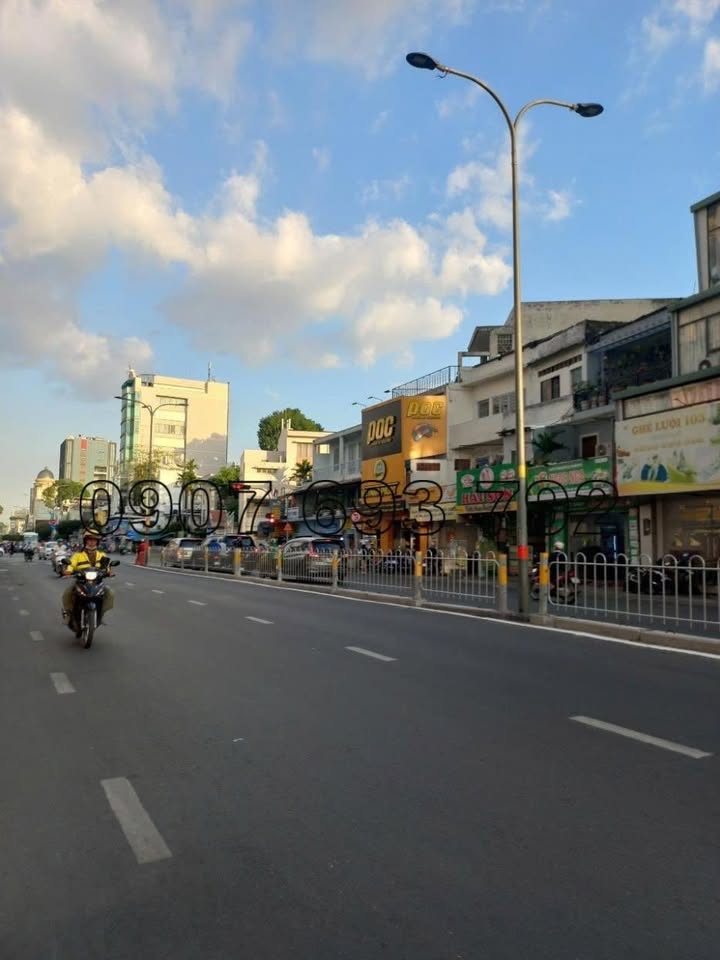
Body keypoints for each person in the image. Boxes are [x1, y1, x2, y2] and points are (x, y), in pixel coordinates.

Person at [62, 528, 115, 627]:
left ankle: (101, 614)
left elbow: (107, 567)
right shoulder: (78, 555)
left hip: (97, 582)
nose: (92, 542)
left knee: (110, 593)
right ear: (85, 540)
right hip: (81, 581)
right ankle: (69, 614)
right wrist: (68, 571)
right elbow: (71, 564)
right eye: (89, 539)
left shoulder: (102, 555)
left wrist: (109, 572)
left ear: (97, 542)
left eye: (94, 540)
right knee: (67, 593)